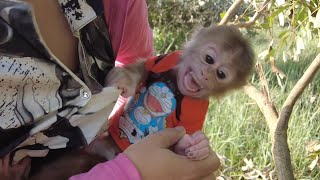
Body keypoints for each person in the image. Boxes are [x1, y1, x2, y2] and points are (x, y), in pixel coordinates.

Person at [0, 0, 220, 179]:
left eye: (221, 74)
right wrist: (130, 171)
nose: (207, 73)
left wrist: (129, 80)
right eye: (208, 59)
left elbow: (136, 64)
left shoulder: (122, 6)